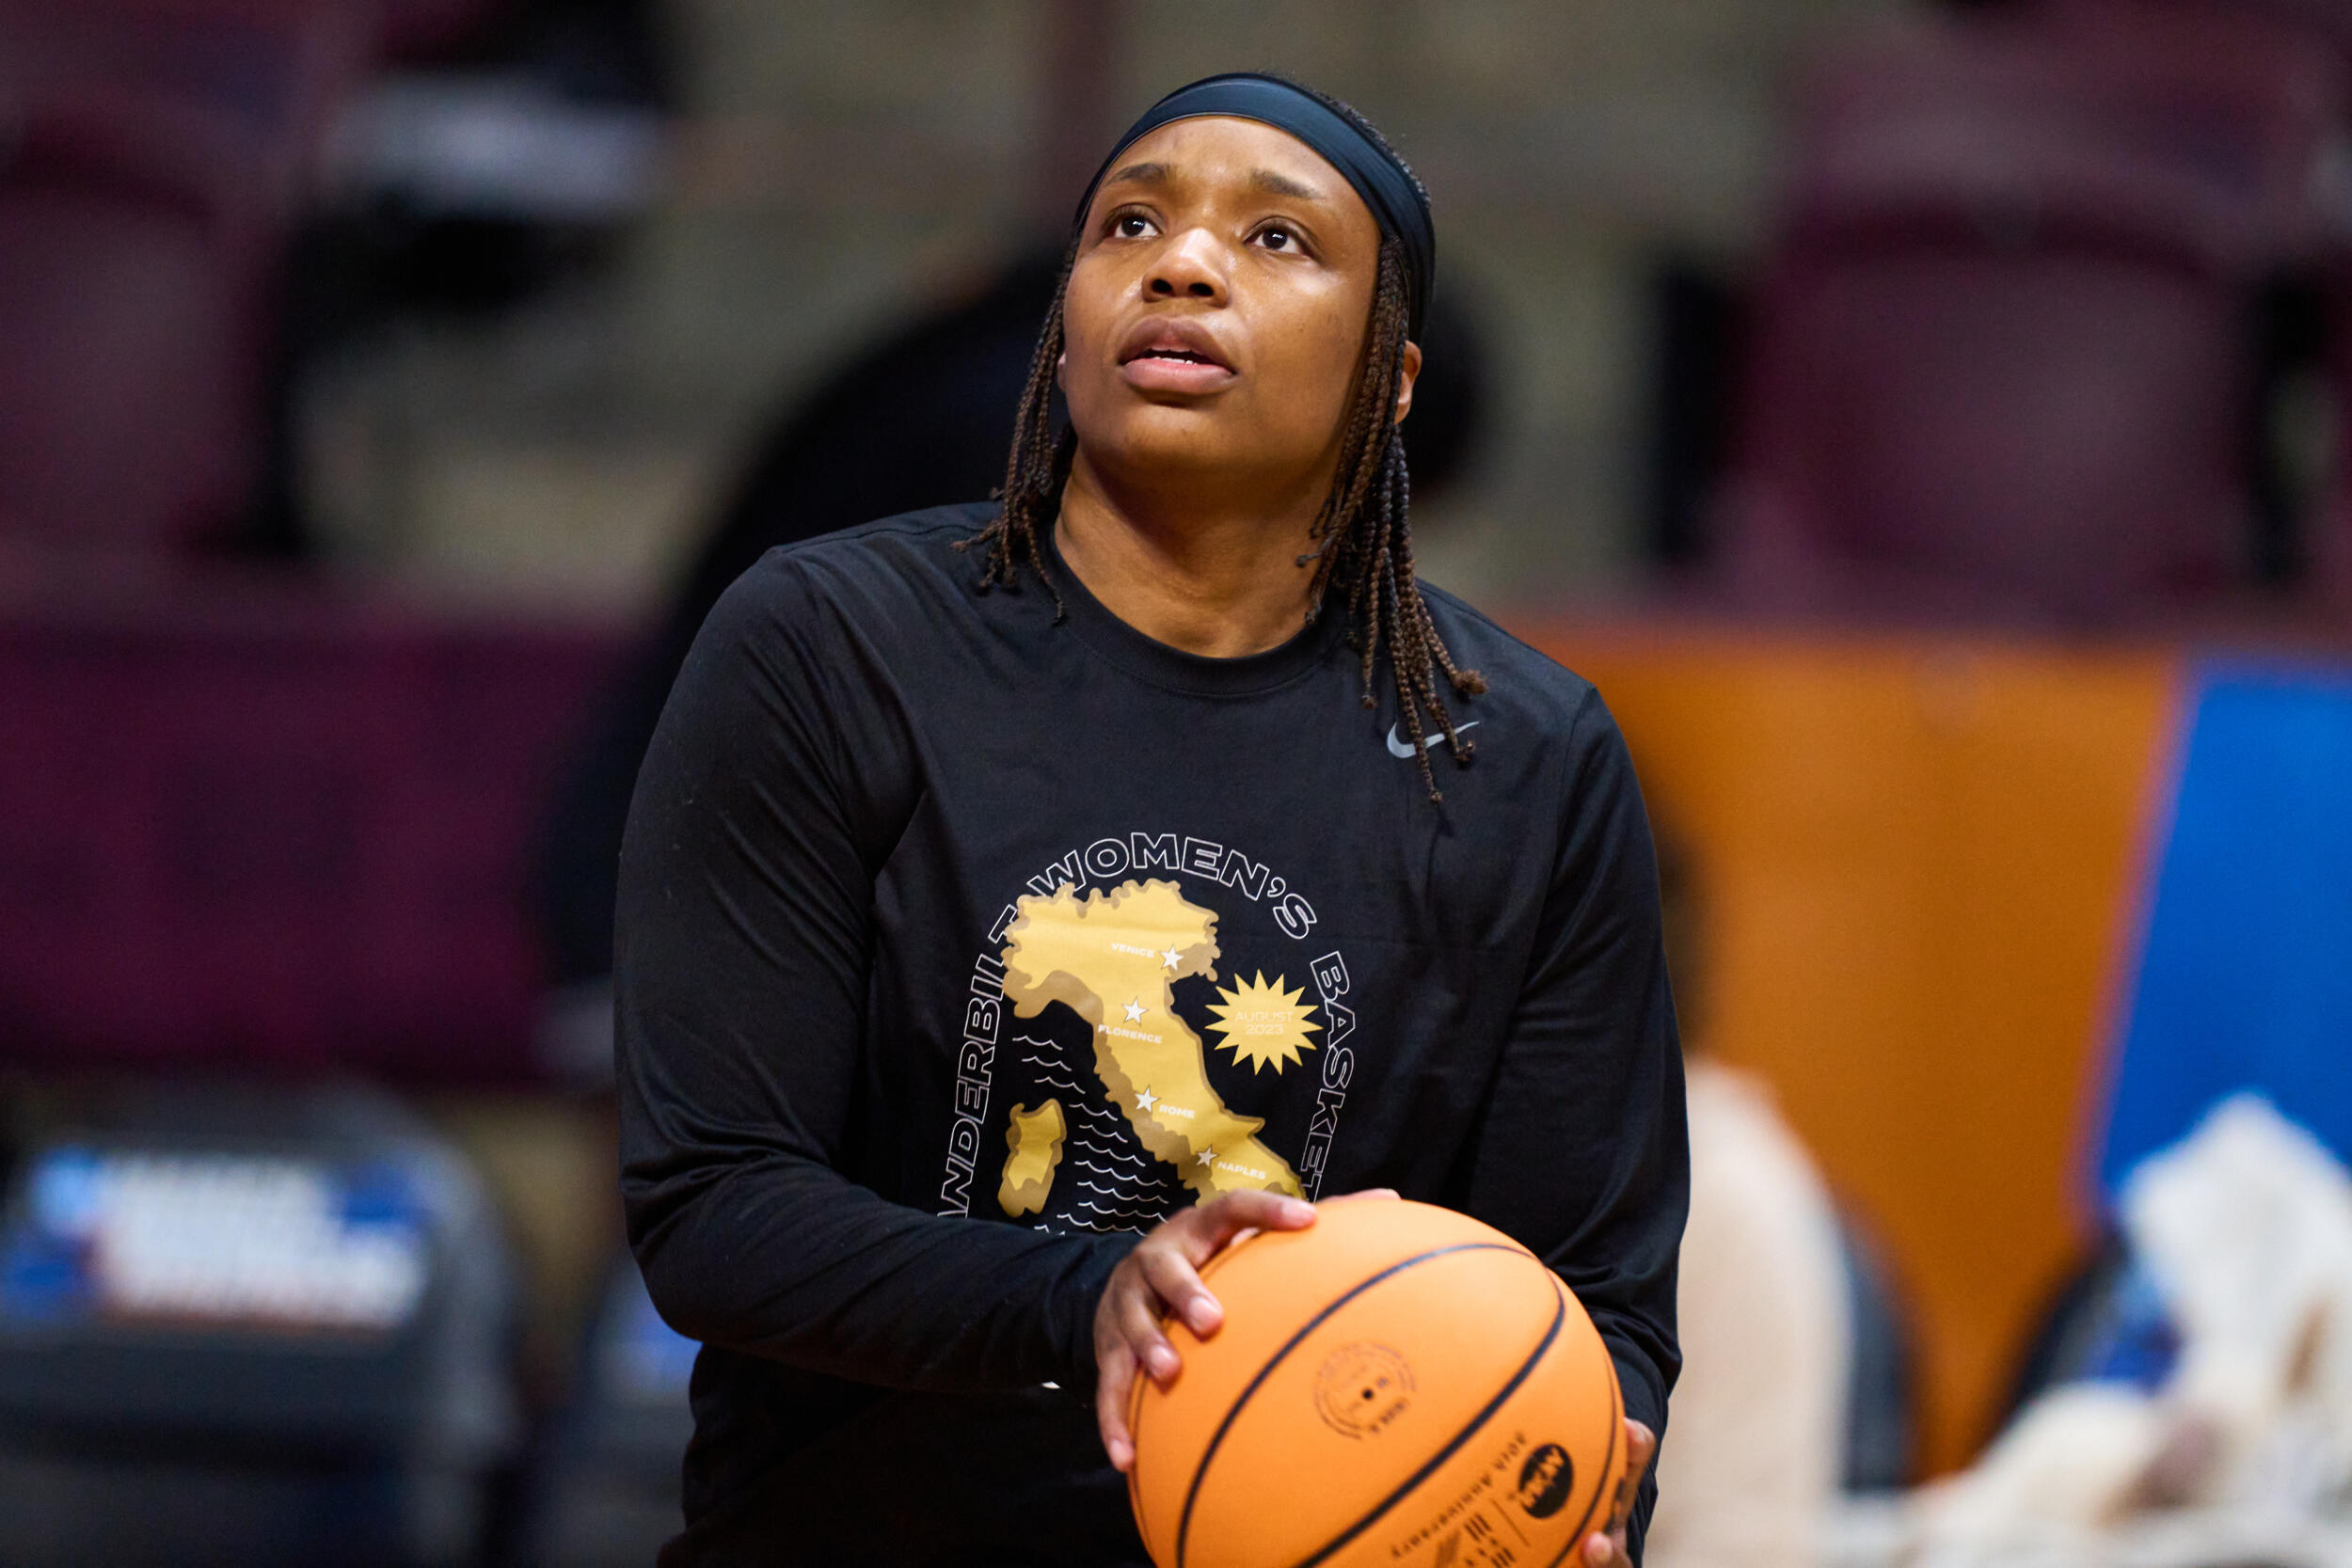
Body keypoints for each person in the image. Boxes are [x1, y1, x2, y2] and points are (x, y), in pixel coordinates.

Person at [615, 72, 1685, 1567]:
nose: (1182, 262)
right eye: (1130, 224)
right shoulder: (833, 645)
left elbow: (1598, 1301)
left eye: (1275, 238)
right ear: (1066, 327)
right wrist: (1093, 1295)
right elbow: (714, 1209)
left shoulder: (1529, 758)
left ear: (1390, 383)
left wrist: (1563, 1482)